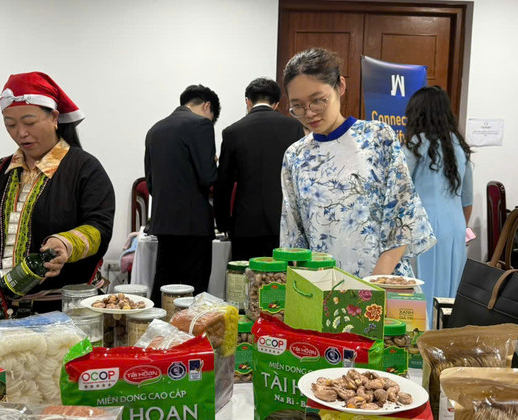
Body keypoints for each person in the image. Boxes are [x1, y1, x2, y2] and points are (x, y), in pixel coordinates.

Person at [0, 72, 115, 313]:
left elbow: (99, 227)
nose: (20, 133)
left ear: (54, 117)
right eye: (10, 124)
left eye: (29, 122)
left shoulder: (84, 168)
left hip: (70, 309)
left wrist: (66, 243)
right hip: (6, 310)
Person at [280, 48, 435, 278]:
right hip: (322, 288)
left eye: (317, 101)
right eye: (298, 106)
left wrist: (371, 286)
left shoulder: (378, 137)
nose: (309, 113)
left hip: (382, 283)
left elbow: (402, 217)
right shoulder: (295, 155)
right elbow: (294, 237)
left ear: (340, 86)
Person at [145, 84, 220, 304]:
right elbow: (208, 177)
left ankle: (157, 333)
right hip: (193, 223)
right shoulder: (201, 125)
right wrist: (214, 165)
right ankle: (189, 338)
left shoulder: (155, 129)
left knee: (164, 287)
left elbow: (150, 182)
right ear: (207, 106)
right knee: (193, 291)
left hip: (164, 222)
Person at [215, 77, 304, 261]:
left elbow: (224, 182)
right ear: (277, 103)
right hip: (283, 221)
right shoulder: (294, 127)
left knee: (247, 279)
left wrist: (223, 222)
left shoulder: (232, 132)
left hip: (245, 223)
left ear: (248, 101)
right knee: (281, 278)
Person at [404, 86, 473, 314]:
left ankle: (422, 339)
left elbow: (401, 192)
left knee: (423, 286)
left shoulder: (414, 145)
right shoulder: (460, 146)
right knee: (451, 288)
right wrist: (459, 226)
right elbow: (467, 199)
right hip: (455, 224)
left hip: (423, 225)